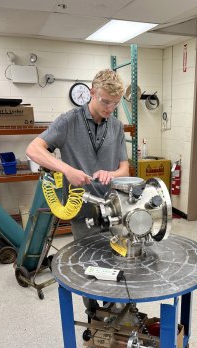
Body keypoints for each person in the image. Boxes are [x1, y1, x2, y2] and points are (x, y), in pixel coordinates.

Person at [26, 68, 129, 240]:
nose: (110, 108)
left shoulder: (117, 126)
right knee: (87, 263)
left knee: (117, 261)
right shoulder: (68, 121)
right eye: (105, 102)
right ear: (92, 93)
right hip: (83, 213)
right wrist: (67, 170)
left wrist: (111, 174)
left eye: (115, 103)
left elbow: (124, 171)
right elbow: (33, 149)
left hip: (115, 211)